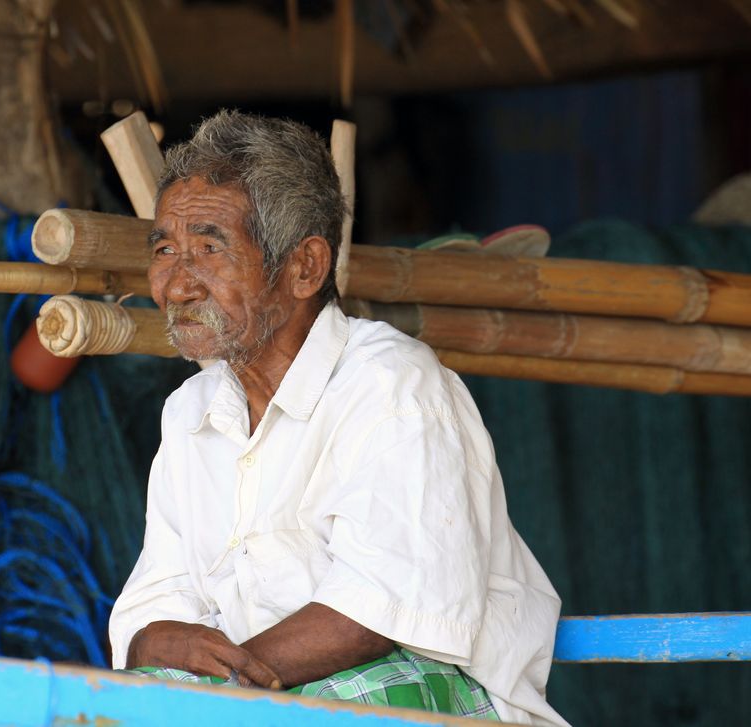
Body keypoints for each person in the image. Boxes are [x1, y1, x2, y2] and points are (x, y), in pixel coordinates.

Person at [108, 110, 568, 725]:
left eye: (210, 249)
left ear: (304, 267)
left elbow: (381, 606)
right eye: (166, 250)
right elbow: (150, 615)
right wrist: (167, 647)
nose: (176, 284)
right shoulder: (191, 412)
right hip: (262, 700)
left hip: (437, 697)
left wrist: (227, 682)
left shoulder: (392, 385)